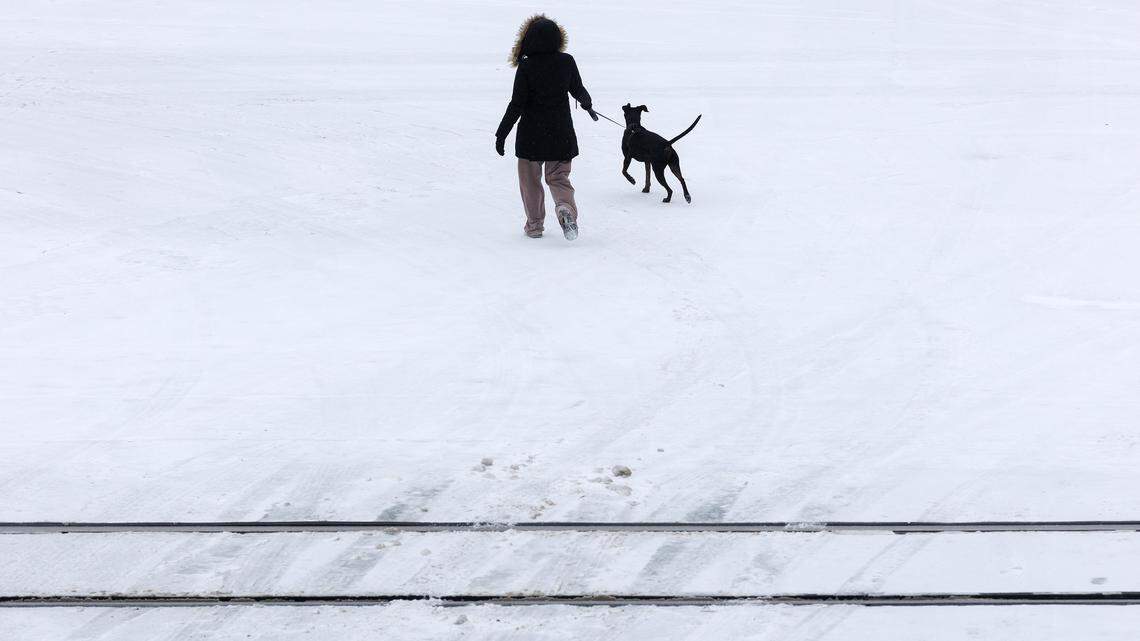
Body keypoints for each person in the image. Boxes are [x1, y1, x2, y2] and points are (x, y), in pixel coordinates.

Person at [496, 15, 597, 240]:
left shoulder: (526, 65)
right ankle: (565, 209)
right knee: (559, 177)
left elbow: (517, 104)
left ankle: (534, 226)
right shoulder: (567, 61)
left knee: (530, 181)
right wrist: (587, 104)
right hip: (561, 133)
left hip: (531, 135)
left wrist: (502, 133)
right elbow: (578, 89)